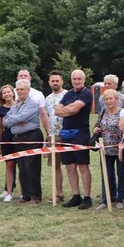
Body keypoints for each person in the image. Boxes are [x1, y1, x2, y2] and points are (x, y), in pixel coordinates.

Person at [55, 69, 94, 209]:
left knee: (82, 165)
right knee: (70, 166)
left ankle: (87, 197)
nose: (76, 81)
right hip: (66, 133)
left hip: (81, 132)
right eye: (74, 79)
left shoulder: (86, 93)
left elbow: (73, 110)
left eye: (79, 79)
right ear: (71, 80)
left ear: (84, 80)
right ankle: (76, 196)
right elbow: (56, 110)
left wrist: (66, 109)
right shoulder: (68, 94)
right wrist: (68, 109)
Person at [4, 79, 43, 204]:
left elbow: (22, 117)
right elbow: (5, 120)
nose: (20, 91)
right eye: (18, 89)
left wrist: (15, 119)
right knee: (22, 167)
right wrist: (16, 119)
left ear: (28, 90)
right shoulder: (15, 105)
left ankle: (35, 196)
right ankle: (25, 195)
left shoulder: (33, 103)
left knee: (31, 167)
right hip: (18, 138)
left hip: (32, 137)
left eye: (22, 89)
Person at [92, 88, 124, 210]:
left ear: (116, 99)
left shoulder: (123, 112)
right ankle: (106, 198)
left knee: (121, 174)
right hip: (105, 148)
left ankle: (120, 198)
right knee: (106, 174)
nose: (108, 101)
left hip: (120, 148)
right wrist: (96, 129)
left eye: (110, 98)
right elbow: (97, 125)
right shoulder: (103, 111)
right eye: (106, 99)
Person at [44, 70, 67, 203]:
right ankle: (59, 193)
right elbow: (46, 118)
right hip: (53, 136)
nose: (55, 83)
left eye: (57, 80)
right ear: (49, 82)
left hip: (68, 134)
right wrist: (47, 137)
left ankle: (77, 194)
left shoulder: (68, 95)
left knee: (71, 165)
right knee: (55, 166)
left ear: (62, 81)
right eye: (53, 80)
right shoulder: (47, 99)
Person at [0, 84, 18, 202]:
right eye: (4, 93)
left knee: (22, 165)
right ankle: (9, 192)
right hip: (6, 138)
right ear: (2, 95)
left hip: (19, 137)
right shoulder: (1, 109)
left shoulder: (20, 105)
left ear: (13, 93)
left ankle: (24, 192)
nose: (7, 94)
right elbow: (0, 127)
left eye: (8, 92)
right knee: (9, 165)